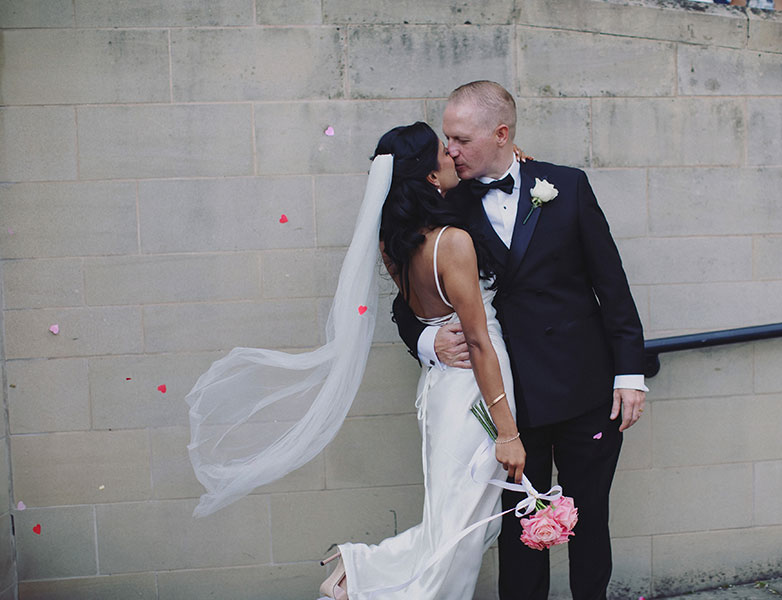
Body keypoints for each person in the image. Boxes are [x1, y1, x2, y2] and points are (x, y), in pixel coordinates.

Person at [184, 121, 528, 600]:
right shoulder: (452, 243)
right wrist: (508, 433)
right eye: (443, 153)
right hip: (476, 394)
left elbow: (423, 316)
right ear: (430, 177)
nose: (453, 154)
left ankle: (360, 569)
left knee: (461, 526)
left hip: (440, 391)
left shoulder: (396, 243)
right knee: (459, 534)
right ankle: (362, 569)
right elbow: (478, 343)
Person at [391, 81, 647, 600]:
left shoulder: (566, 185)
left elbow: (611, 284)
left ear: (501, 133)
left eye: (460, 138)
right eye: (446, 139)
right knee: (520, 535)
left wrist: (630, 373)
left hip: (584, 392)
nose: (451, 150)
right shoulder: (444, 202)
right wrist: (426, 343)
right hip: (507, 403)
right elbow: (407, 293)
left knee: (589, 521)